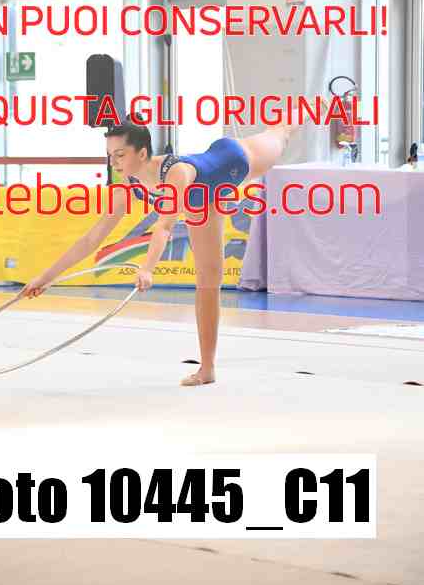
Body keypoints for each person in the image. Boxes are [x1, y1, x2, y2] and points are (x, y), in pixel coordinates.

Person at [21, 99, 327, 386]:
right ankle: (207, 369)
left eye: (120, 155)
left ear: (142, 154)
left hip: (233, 161)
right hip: (201, 201)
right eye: (110, 156)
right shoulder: (126, 183)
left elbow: (165, 226)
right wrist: (45, 278)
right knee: (208, 280)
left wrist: (147, 268)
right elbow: (93, 237)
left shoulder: (176, 172)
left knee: (280, 132)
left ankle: (311, 107)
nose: (114, 163)